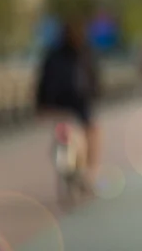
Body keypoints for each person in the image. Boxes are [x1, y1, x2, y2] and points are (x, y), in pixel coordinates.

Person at [36, 19, 102, 185]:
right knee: (91, 130)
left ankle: (80, 168)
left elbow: (41, 81)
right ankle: (89, 172)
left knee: (68, 131)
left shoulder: (52, 53)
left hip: (56, 102)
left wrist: (40, 104)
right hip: (74, 102)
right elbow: (93, 79)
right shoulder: (84, 53)